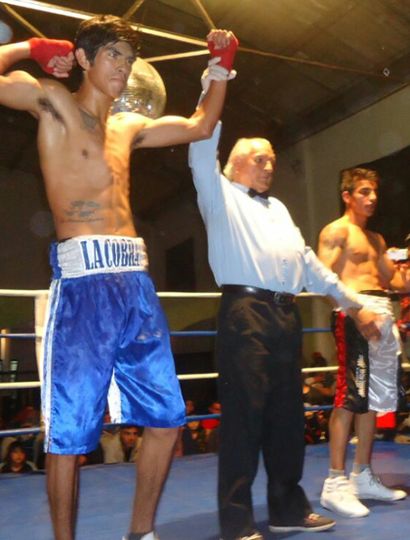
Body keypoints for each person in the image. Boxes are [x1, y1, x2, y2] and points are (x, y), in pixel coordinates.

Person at [0, 14, 237, 540]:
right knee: (68, 436)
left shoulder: (128, 128)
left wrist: (220, 66)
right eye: (113, 56)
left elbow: (199, 125)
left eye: (129, 60)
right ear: (83, 59)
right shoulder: (53, 103)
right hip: (82, 288)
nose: (124, 68)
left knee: (167, 419)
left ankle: (141, 532)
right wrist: (29, 48)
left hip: (136, 285)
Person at [189, 123, 381, 540]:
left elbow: (310, 265)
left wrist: (354, 303)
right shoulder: (219, 196)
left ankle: (287, 509)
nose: (269, 165)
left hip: (284, 317)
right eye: (260, 159)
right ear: (234, 166)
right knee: (243, 421)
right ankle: (237, 523)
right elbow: (201, 147)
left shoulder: (277, 209)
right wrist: (216, 78)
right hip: (245, 313)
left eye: (273, 159)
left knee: (286, 420)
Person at [318, 167, 409, 518]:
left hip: (383, 314)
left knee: (372, 400)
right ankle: (335, 483)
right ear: (347, 195)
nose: (372, 198)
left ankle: (363, 474)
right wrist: (356, 312)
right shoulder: (336, 231)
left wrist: (404, 265)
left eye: (374, 193)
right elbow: (323, 280)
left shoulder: (376, 239)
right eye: (364, 192)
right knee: (349, 396)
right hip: (355, 313)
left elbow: (396, 282)